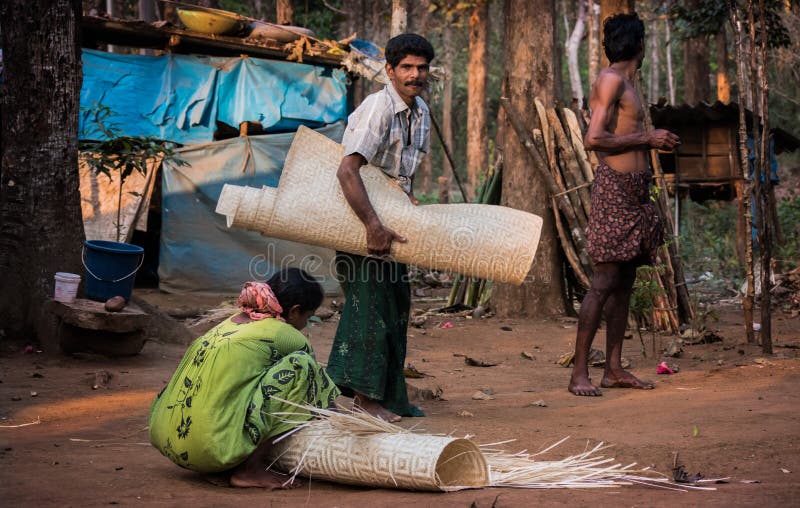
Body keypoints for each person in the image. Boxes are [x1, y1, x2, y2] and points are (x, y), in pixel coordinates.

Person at [568, 13, 680, 397]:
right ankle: (579, 373)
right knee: (603, 282)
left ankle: (613, 369)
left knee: (625, 282)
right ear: (641, 45)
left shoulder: (627, 83)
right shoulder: (611, 80)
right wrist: (649, 137)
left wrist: (649, 142)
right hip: (614, 190)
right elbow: (593, 138)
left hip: (635, 191)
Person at [325, 34, 434, 422]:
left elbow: (400, 178)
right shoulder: (378, 108)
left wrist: (407, 206)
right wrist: (372, 224)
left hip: (390, 223)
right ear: (389, 70)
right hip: (361, 222)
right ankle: (363, 402)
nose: (415, 74)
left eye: (421, 68)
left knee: (395, 305)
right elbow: (347, 170)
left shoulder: (421, 112)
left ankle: (389, 397)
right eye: (406, 67)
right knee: (368, 307)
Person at [148, 268, 339, 488]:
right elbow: (316, 389)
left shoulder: (231, 321)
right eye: (308, 317)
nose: (306, 323)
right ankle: (250, 470)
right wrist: (339, 424)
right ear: (295, 311)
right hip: (210, 451)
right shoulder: (287, 335)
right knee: (303, 367)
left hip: (170, 441)